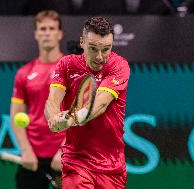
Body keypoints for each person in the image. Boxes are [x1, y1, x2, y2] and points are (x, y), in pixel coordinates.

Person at [44, 16, 130, 189]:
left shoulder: (118, 65)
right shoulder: (66, 65)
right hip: (77, 161)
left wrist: (71, 119)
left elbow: (99, 104)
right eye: (93, 48)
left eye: (106, 49)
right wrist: (54, 120)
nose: (100, 57)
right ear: (82, 42)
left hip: (111, 166)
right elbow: (52, 100)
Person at [10, 10, 65, 189]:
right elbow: (16, 115)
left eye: (51, 28)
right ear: (36, 34)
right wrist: (26, 150)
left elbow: (83, 114)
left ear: (59, 33)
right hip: (33, 155)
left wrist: (65, 150)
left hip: (67, 154)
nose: (47, 32)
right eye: (42, 28)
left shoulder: (72, 70)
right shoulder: (24, 73)